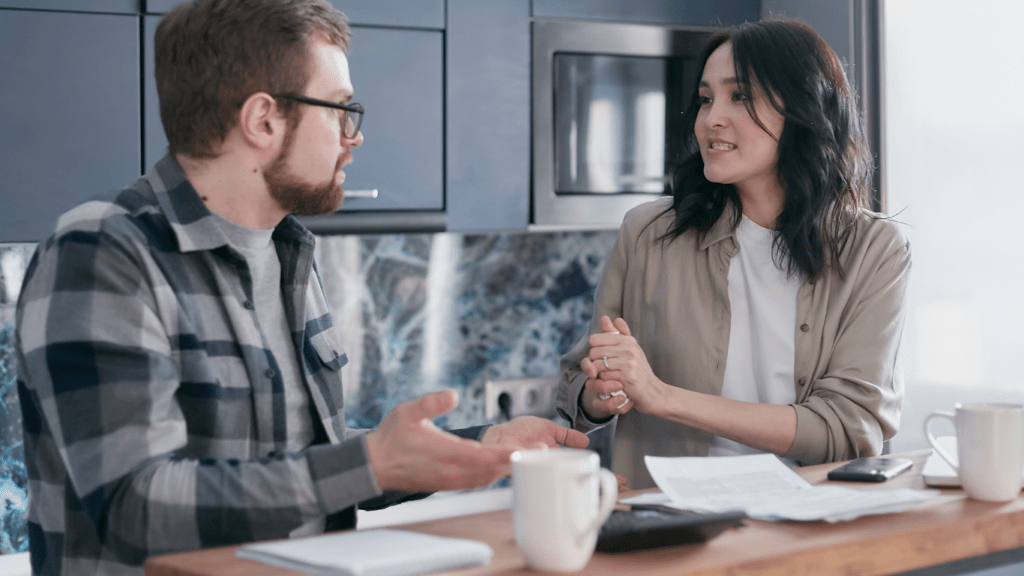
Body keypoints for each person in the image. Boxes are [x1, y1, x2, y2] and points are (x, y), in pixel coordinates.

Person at [14, 0, 588, 574]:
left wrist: (475, 444)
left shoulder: (288, 253)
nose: (353, 137)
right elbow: (133, 506)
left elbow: (298, 466)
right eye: (340, 109)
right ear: (263, 120)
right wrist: (371, 463)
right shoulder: (102, 254)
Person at [556, 19, 910, 489]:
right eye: (706, 98)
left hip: (805, 526)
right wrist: (599, 393)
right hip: (671, 523)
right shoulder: (646, 232)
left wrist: (661, 396)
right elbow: (574, 390)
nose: (711, 119)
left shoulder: (875, 249)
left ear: (803, 109)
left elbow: (847, 430)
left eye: (739, 96)